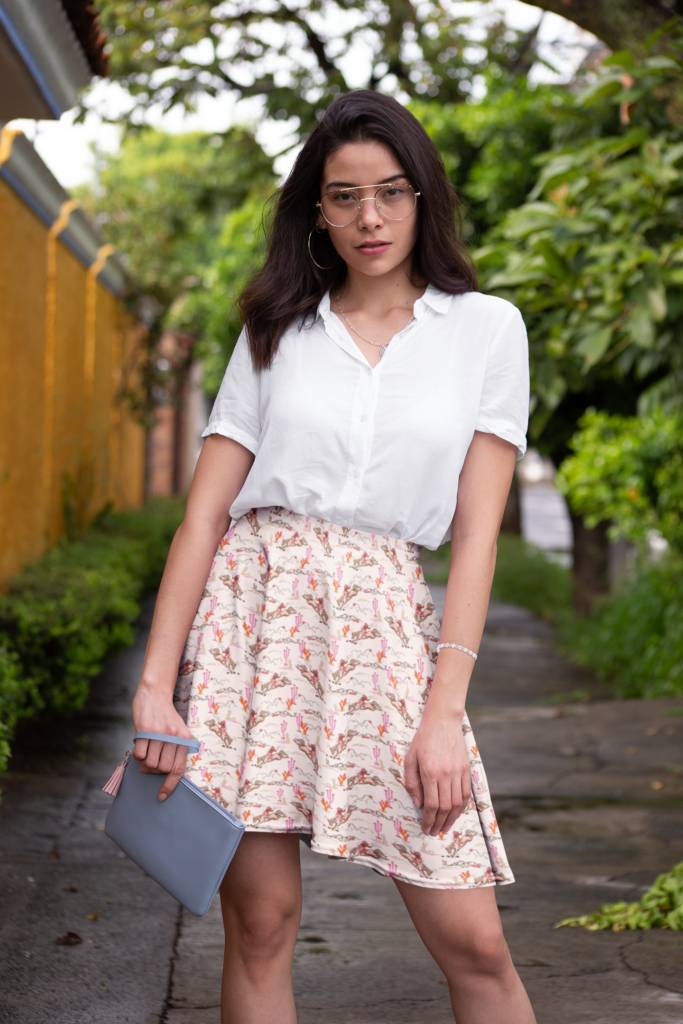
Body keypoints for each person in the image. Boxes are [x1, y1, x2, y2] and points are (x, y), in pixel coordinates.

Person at [131, 89, 536, 1024]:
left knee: (473, 940)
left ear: (423, 196)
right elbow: (202, 519)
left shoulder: (485, 331)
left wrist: (444, 714)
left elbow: (476, 537)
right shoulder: (277, 328)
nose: (370, 217)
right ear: (315, 207)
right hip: (253, 631)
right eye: (344, 196)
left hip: (389, 636)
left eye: (391, 192)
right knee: (263, 923)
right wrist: (157, 685)